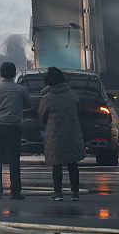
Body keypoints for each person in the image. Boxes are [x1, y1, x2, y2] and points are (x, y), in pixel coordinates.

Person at [0, 61, 31, 199]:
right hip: (14, 128)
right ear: (15, 73)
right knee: (14, 160)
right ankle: (16, 192)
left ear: (0, 74)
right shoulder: (21, 90)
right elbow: (28, 105)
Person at [39, 67, 85, 201]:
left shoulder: (48, 98)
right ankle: (75, 193)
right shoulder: (72, 94)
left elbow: (42, 115)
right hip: (72, 133)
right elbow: (78, 110)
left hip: (55, 135)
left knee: (57, 164)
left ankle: (58, 193)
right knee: (72, 164)